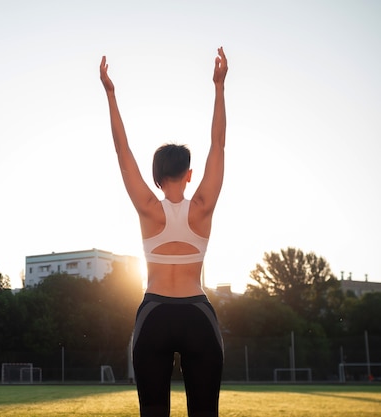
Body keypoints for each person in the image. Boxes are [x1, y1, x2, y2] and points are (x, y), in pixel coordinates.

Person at [100, 47, 228, 417]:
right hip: (197, 315)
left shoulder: (148, 208)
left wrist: (110, 93)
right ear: (189, 174)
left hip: (154, 313)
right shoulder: (202, 206)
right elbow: (218, 144)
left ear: (155, 178)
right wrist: (219, 87)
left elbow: (122, 149)